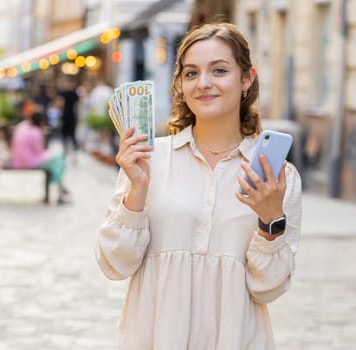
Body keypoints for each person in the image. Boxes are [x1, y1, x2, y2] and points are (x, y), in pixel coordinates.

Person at [96, 22, 302, 349]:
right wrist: (136, 191)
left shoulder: (277, 176)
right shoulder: (148, 159)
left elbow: (268, 289)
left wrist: (269, 220)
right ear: (180, 84)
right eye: (191, 73)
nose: (203, 83)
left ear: (247, 78)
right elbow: (114, 264)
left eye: (219, 70)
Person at [11, 111, 70, 205]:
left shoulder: (23, 126)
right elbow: (39, 151)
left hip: (18, 159)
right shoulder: (35, 132)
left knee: (56, 160)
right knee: (58, 161)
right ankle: (60, 190)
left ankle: (61, 188)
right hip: (28, 161)